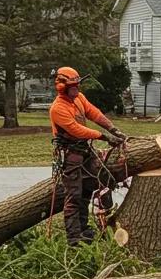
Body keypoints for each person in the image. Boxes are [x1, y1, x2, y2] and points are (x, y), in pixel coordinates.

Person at [49, 67, 127, 245]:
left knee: (87, 190)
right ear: (62, 87)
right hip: (70, 157)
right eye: (73, 86)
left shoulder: (78, 99)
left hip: (85, 152)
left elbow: (94, 113)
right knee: (73, 196)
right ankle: (74, 238)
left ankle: (84, 230)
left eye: (77, 85)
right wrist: (103, 136)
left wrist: (113, 129)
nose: (77, 89)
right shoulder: (58, 108)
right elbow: (76, 129)